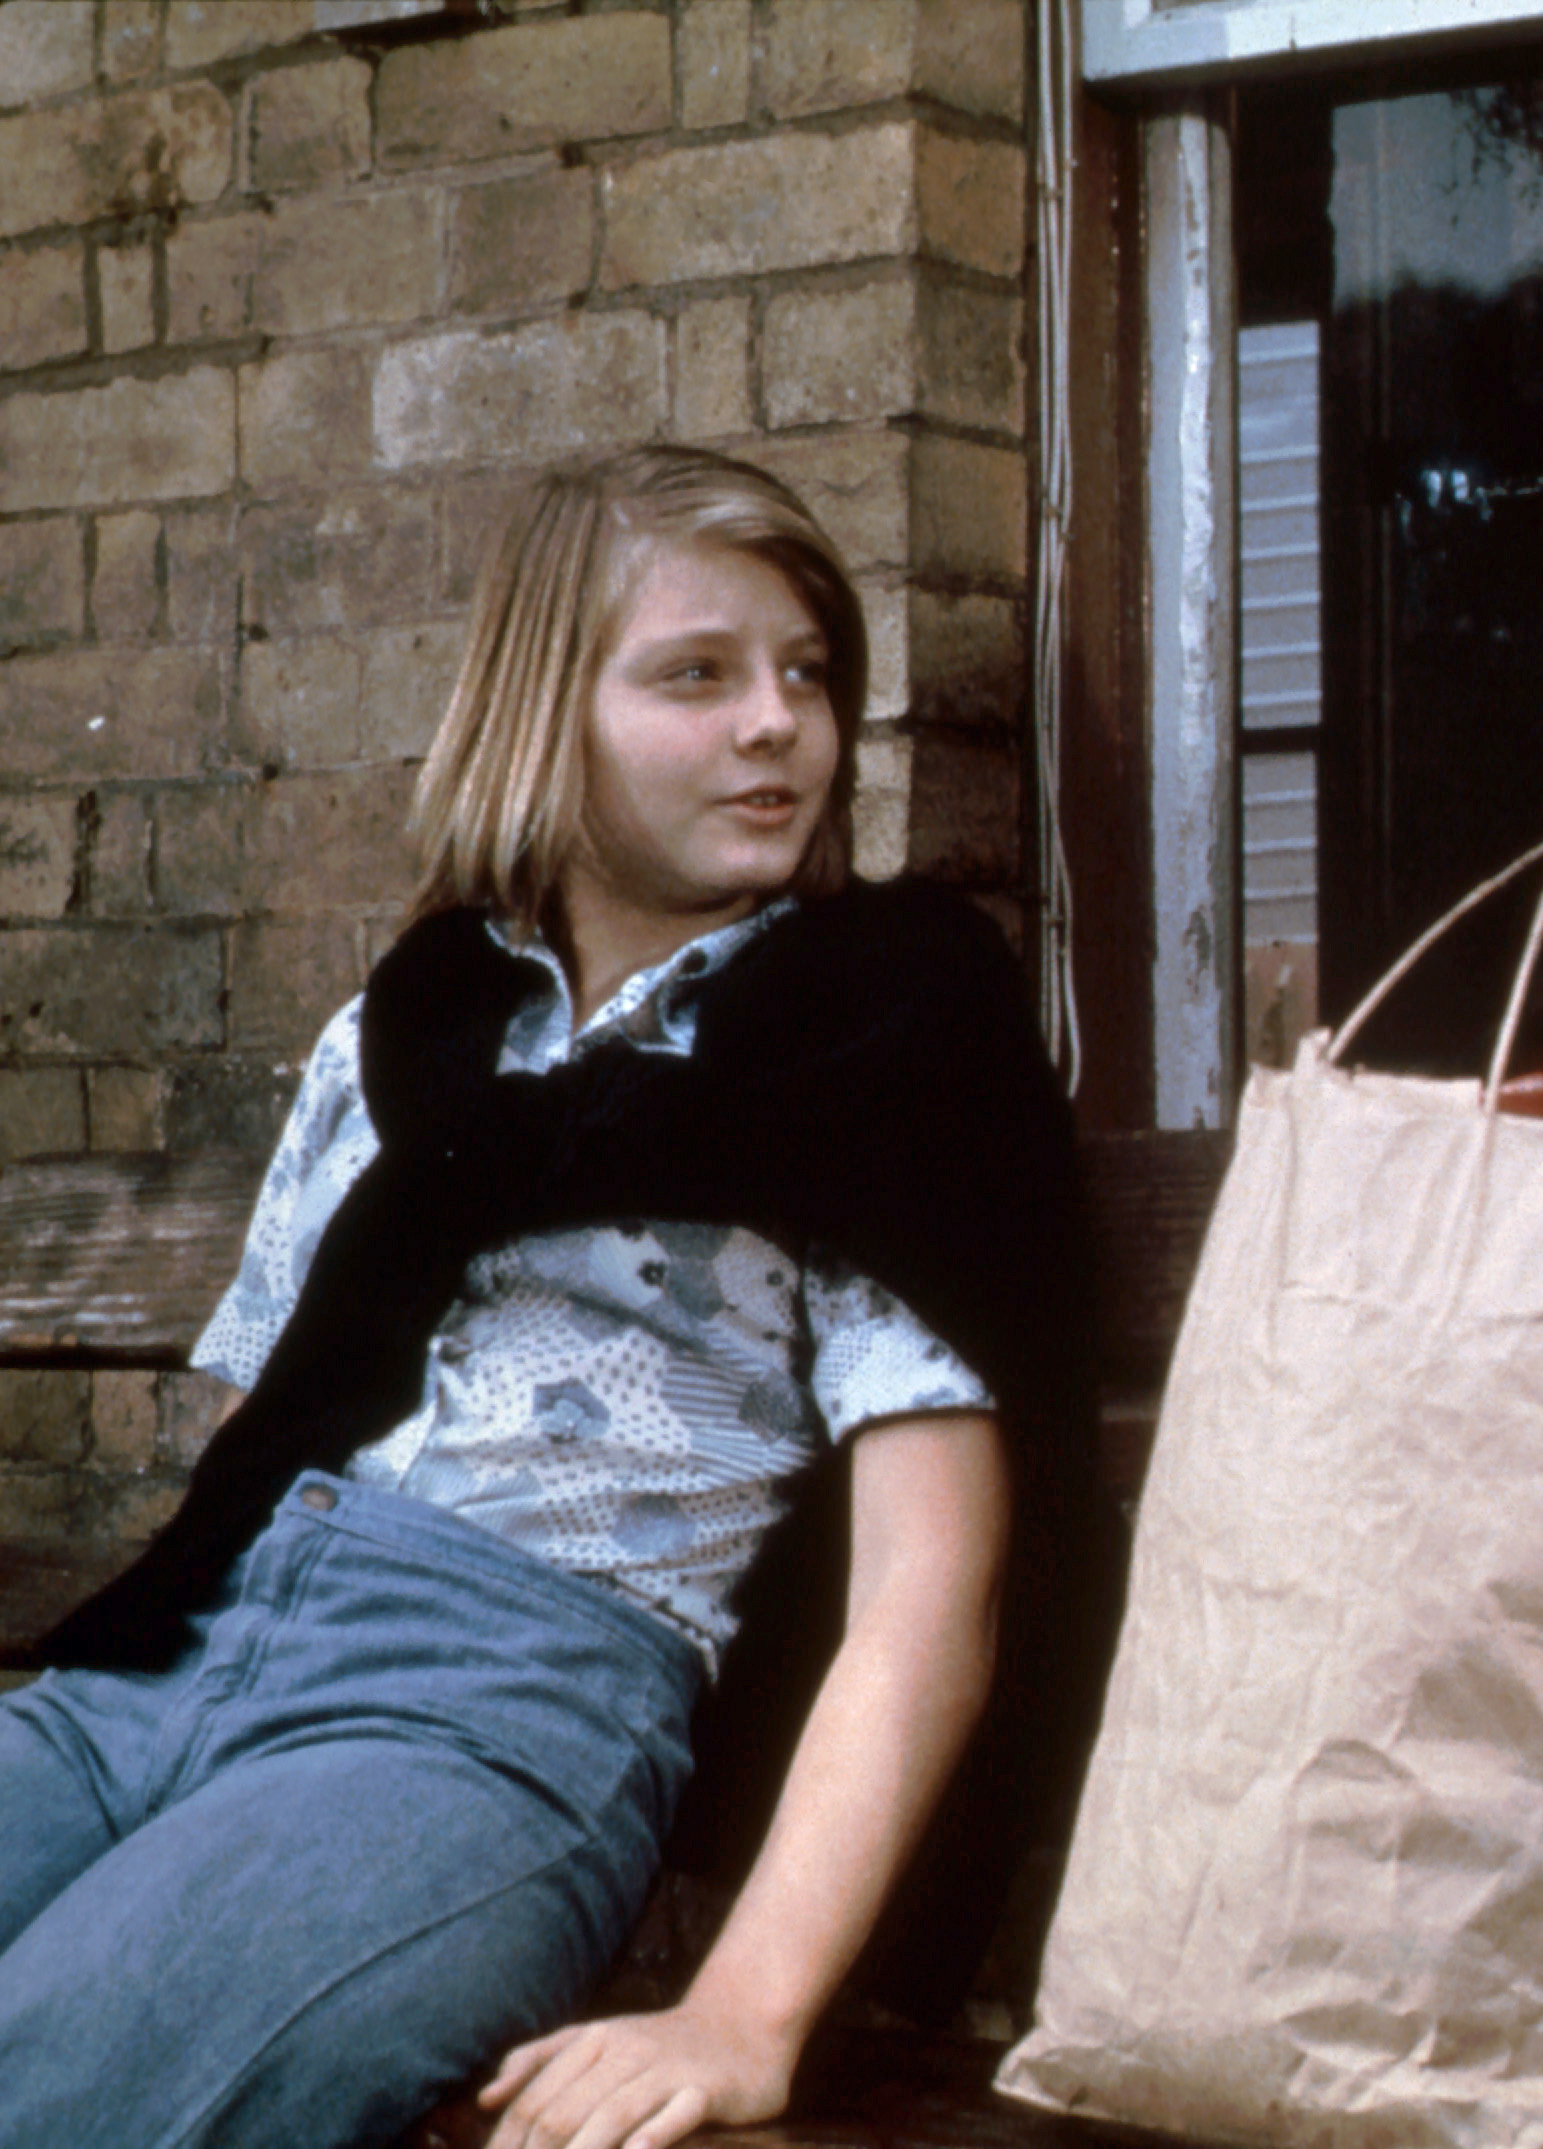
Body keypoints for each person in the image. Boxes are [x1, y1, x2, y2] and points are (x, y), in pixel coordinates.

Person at [0, 447, 1091, 2149]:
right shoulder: (420, 1022)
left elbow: (928, 1596)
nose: (777, 724)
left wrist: (741, 2009)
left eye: (808, 672)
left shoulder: (888, 1029)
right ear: (543, 714)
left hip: (490, 1709)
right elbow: (260, 1414)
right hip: (176, 1656)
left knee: (51, 2089)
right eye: (698, 673)